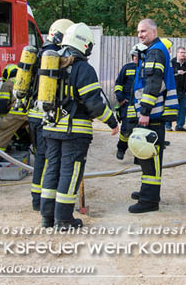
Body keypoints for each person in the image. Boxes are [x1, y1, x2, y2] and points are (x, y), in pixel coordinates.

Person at [39, 23, 119, 229]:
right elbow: (94, 104)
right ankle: (64, 219)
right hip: (74, 131)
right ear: (85, 46)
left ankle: (47, 217)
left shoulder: (53, 63)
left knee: (52, 170)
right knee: (70, 172)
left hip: (50, 127)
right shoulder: (83, 69)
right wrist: (112, 121)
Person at [130, 19, 178, 213]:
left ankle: (149, 201)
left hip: (153, 114)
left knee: (151, 156)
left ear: (154, 31)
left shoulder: (155, 52)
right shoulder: (154, 50)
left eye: (144, 31)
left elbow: (153, 83)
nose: (140, 34)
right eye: (138, 31)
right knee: (146, 156)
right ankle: (147, 192)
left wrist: (145, 112)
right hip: (154, 113)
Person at [27, 18, 73, 211]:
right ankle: (40, 201)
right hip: (47, 116)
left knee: (41, 157)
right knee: (47, 160)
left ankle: (38, 198)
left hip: (34, 113)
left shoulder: (39, 53)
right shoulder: (54, 57)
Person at [0, 63, 29, 162]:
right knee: (36, 138)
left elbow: (1, 106)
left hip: (17, 113)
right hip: (32, 113)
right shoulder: (26, 81)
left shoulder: (8, 83)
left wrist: (5, 121)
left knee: (1, 135)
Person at [114, 46, 139, 159]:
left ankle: (138, 154)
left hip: (140, 104)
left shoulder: (145, 69)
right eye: (134, 56)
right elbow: (118, 84)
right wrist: (120, 98)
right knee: (126, 129)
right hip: (127, 104)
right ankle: (121, 149)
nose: (136, 58)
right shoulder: (126, 68)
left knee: (140, 130)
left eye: (138, 56)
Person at [168, 46, 186, 131]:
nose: (183, 54)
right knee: (171, 108)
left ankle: (179, 126)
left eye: (184, 53)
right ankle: (168, 126)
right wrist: (177, 72)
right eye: (181, 53)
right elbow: (169, 72)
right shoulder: (172, 62)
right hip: (174, 90)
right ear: (177, 53)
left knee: (183, 108)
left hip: (183, 90)